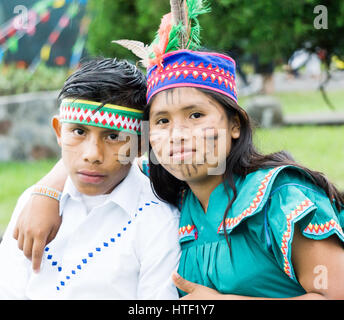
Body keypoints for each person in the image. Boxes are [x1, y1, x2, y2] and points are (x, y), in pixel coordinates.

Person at [13, 1, 344, 299]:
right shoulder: (171, 190)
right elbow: (93, 158)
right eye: (162, 121)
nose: (178, 135)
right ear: (147, 138)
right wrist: (45, 193)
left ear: (235, 124)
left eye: (196, 115)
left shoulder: (280, 199)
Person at [0, 58, 180, 299]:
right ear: (58, 132)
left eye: (114, 136)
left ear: (140, 144)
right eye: (79, 132)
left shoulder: (158, 221)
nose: (92, 155)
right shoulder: (32, 204)